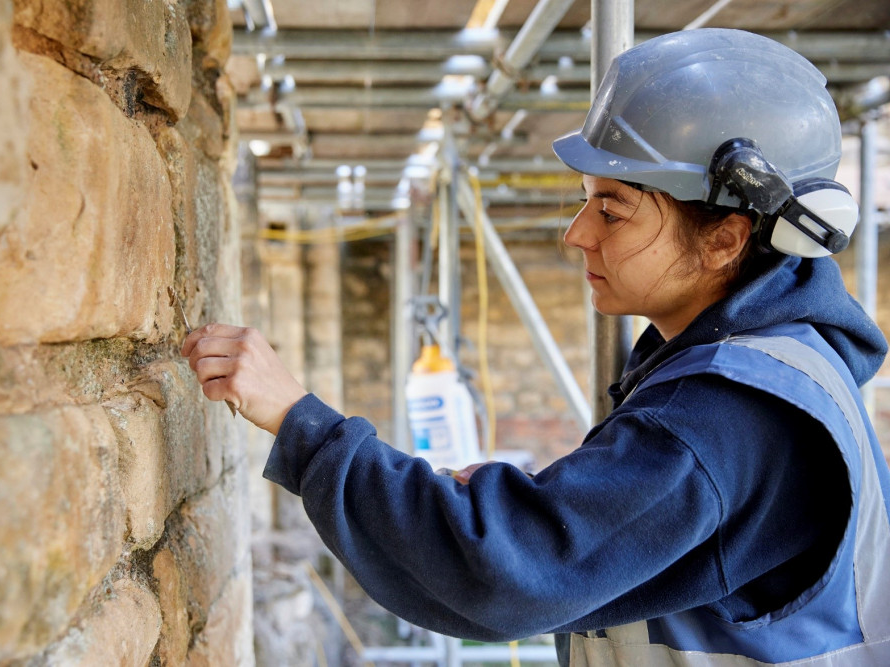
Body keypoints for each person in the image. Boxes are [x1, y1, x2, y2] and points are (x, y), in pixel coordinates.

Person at [182, 28, 890, 665]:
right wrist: (553, 503)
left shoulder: (724, 414)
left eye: (611, 207)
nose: (577, 232)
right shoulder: (777, 359)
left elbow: (496, 572)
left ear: (726, 238)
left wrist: (302, 423)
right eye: (585, 199)